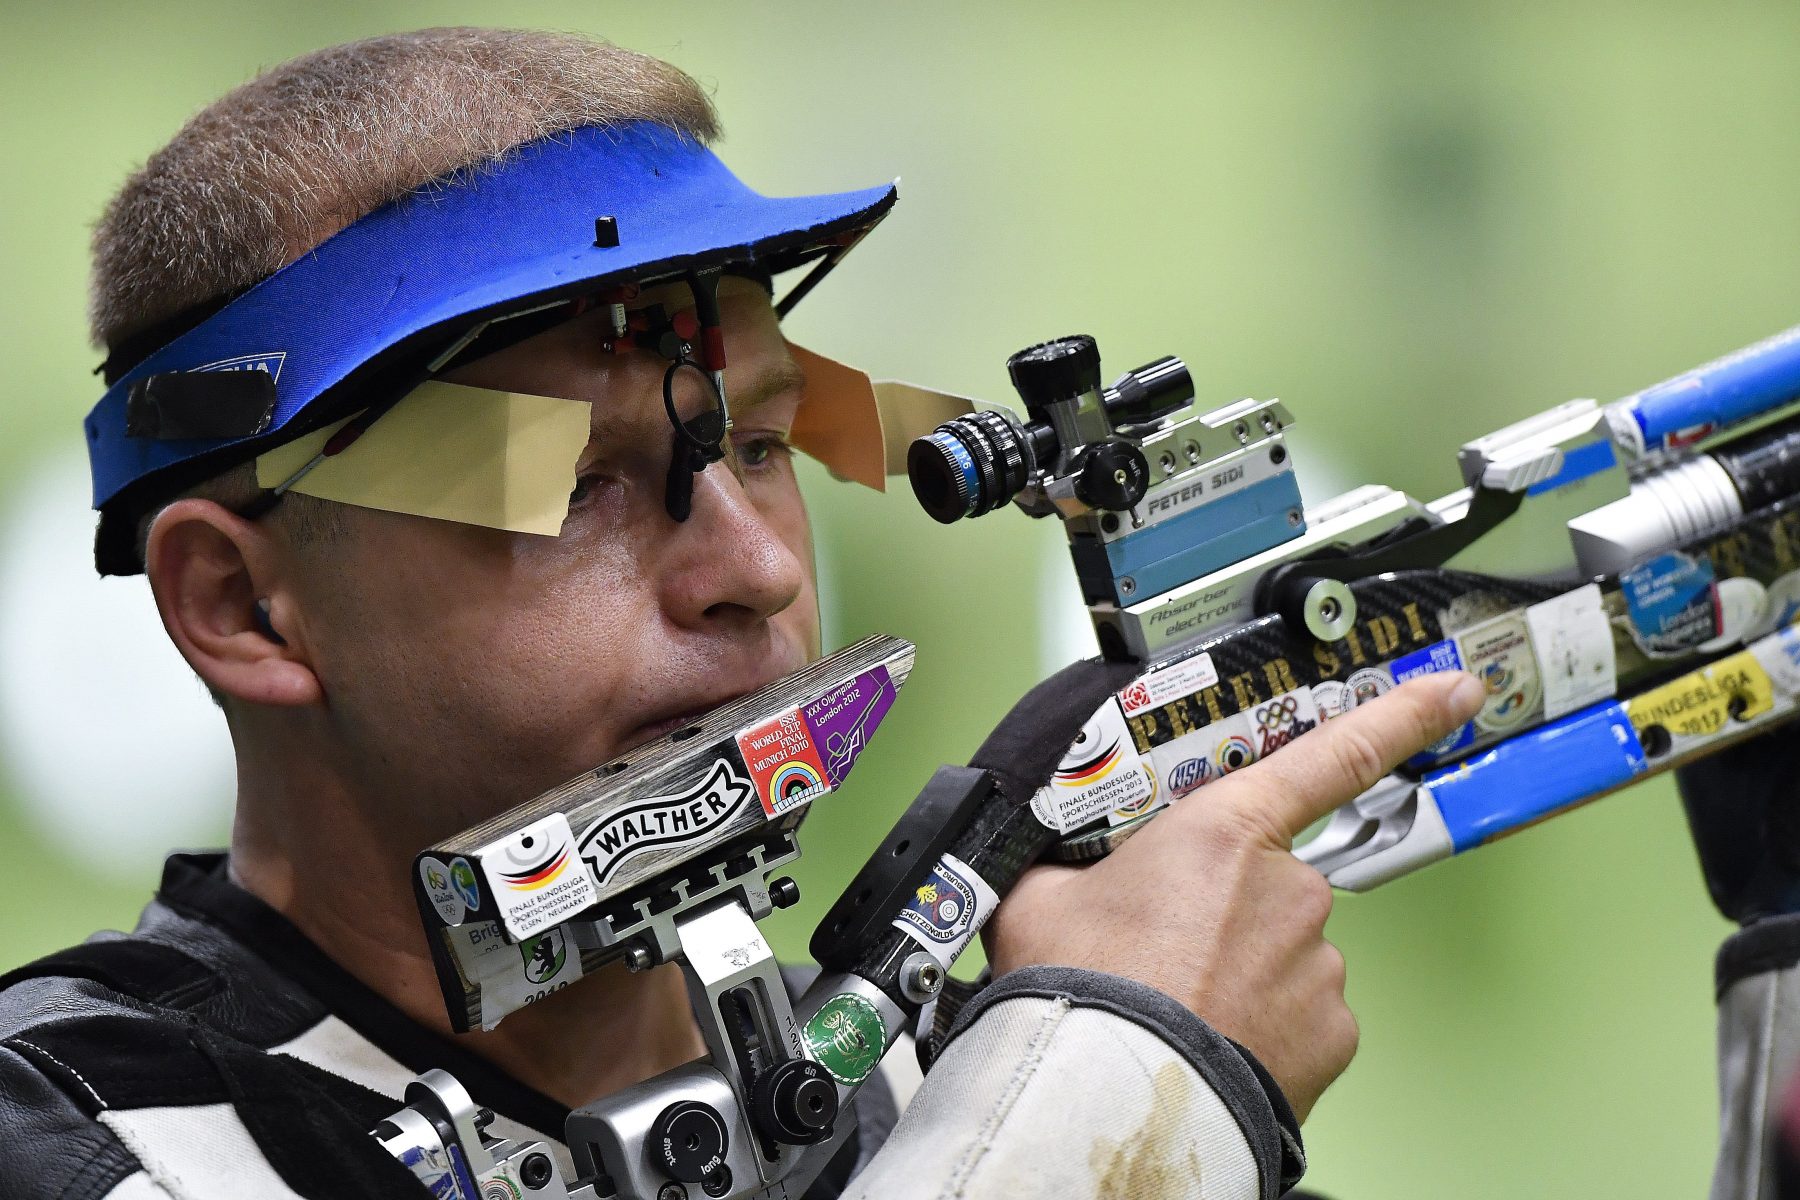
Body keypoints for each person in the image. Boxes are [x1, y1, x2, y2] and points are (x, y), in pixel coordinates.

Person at [0, 24, 1619, 1200]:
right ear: (242, 604)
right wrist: (1127, 1095)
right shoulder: (76, 1129)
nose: (758, 567)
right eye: (576, 484)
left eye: (765, 445)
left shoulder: (934, 1069)